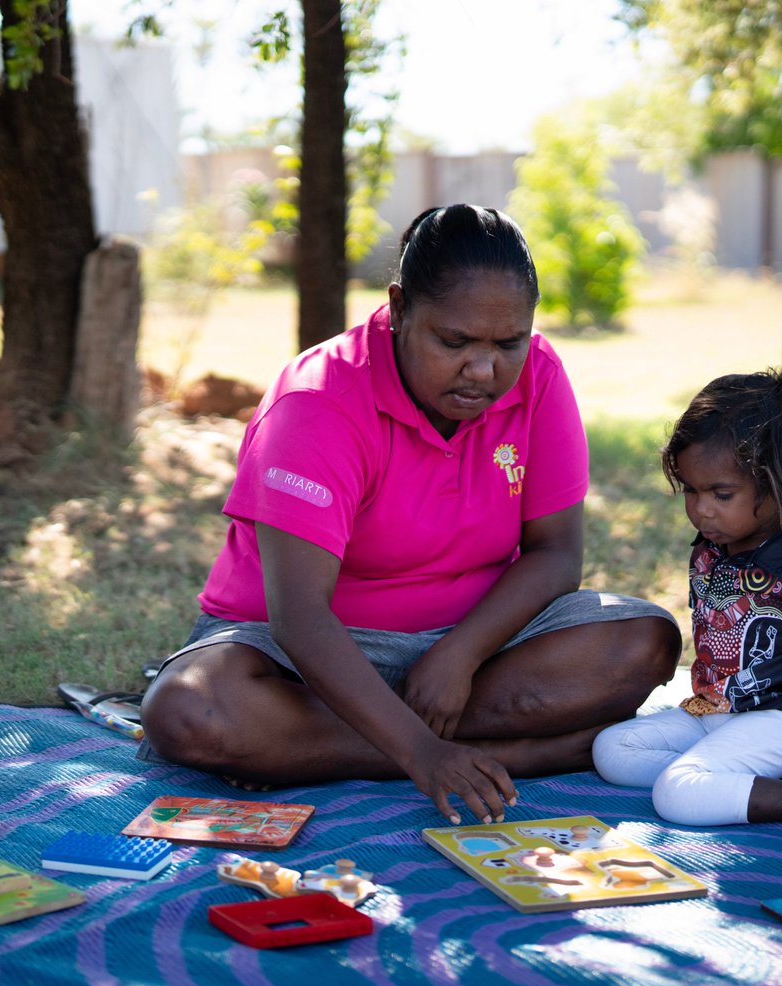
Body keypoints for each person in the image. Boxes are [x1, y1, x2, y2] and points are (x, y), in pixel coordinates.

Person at [141, 204, 681, 826]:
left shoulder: (540, 375)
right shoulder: (318, 403)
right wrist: (422, 752)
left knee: (642, 641)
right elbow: (299, 616)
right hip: (298, 657)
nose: (484, 370)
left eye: (508, 344)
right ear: (399, 309)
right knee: (191, 712)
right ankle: (520, 752)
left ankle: (304, 748)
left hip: (475, 650)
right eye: (454, 343)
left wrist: (460, 656)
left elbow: (556, 552)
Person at [592, 370, 782, 858]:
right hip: (719, 711)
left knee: (677, 793)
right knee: (613, 752)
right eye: (690, 490)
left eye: (720, 494)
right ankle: (766, 778)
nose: (701, 511)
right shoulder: (715, 545)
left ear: (779, 482)